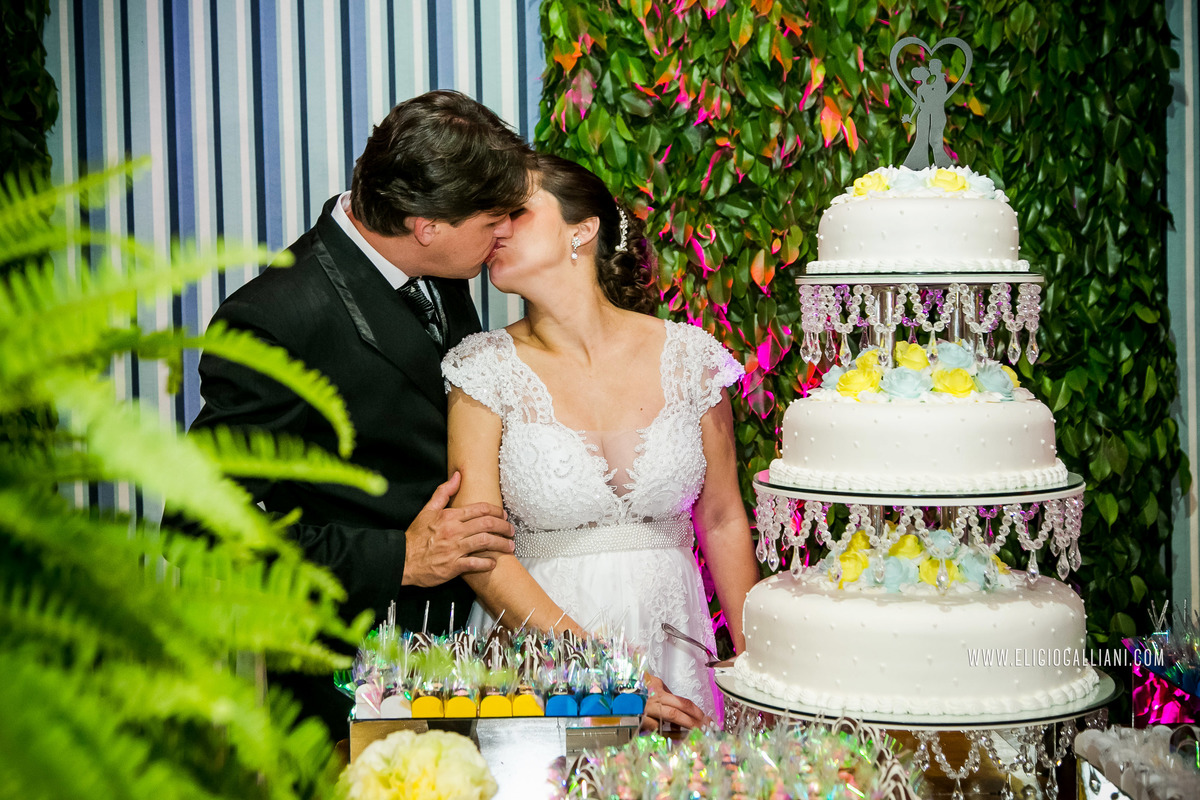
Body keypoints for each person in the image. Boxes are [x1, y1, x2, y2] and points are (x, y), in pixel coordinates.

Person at [190, 91, 529, 735]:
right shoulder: (276, 319)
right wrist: (394, 557)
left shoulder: (444, 266)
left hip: (456, 649)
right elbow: (198, 529)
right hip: (350, 673)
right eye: (493, 219)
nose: (505, 232)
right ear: (426, 224)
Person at [441, 154, 761, 726]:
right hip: (544, 658)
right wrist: (605, 669)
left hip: (674, 638)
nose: (497, 229)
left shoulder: (689, 358)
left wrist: (756, 666)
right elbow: (480, 550)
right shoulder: (481, 370)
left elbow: (722, 519)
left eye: (515, 211)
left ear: (582, 229)